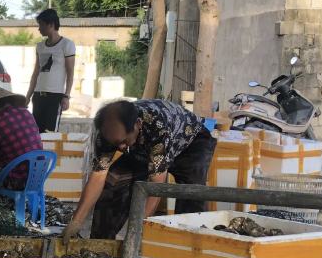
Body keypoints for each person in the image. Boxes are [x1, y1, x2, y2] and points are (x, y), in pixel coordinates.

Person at [62, 98, 216, 240]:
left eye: (122, 141)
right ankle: (101, 243)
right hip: (145, 148)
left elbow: (155, 188)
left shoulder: (157, 125)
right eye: (116, 144)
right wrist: (76, 221)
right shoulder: (107, 135)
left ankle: (187, 248)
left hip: (190, 143)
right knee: (113, 181)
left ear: (138, 124)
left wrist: (135, 232)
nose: (120, 148)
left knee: (190, 194)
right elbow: (98, 176)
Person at [25, 8, 76, 133]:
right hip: (38, 95)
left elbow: (70, 73)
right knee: (36, 133)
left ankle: (49, 153)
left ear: (51, 24)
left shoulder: (67, 45)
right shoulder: (40, 47)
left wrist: (66, 96)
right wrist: (28, 96)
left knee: (50, 133)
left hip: (55, 96)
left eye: (41, 25)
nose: (39, 29)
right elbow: (35, 72)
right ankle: (38, 153)